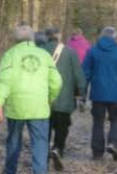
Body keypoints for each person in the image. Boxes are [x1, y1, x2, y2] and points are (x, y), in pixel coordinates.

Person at [0, 25, 62, 174]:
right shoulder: (44, 55)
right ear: (32, 38)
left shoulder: (9, 55)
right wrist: (51, 98)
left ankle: (10, 171)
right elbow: (56, 81)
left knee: (13, 143)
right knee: (40, 145)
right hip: (39, 108)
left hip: (16, 108)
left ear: (15, 39)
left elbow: (4, 81)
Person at [83, 26, 117, 162]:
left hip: (97, 95)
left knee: (98, 122)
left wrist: (81, 94)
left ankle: (97, 153)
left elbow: (85, 74)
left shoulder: (92, 51)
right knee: (116, 120)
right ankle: (113, 144)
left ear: (101, 35)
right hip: (115, 95)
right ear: (115, 36)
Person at [44, 27, 86, 171]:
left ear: (46, 36)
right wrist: (81, 94)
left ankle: (43, 153)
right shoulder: (70, 52)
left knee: (45, 127)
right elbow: (78, 75)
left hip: (43, 99)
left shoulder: (39, 50)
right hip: (65, 98)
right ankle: (58, 148)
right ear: (59, 36)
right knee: (62, 127)